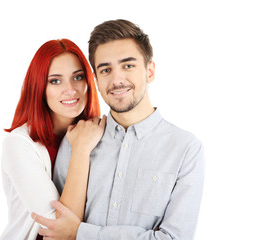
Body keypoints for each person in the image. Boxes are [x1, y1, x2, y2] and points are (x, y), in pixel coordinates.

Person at [32, 19, 205, 240]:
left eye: (128, 65)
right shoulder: (77, 140)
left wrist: (81, 233)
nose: (116, 80)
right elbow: (57, 229)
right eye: (105, 70)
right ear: (95, 79)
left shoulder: (185, 149)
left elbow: (173, 238)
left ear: (149, 71)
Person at [0, 39, 106, 240]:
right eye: (55, 81)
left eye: (78, 77)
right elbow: (58, 227)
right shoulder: (20, 143)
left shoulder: (96, 133)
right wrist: (81, 150)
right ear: (39, 87)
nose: (71, 90)